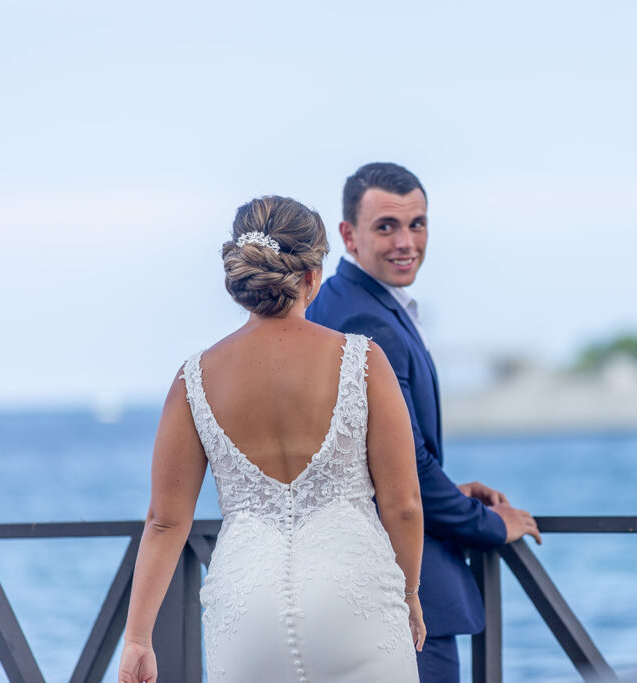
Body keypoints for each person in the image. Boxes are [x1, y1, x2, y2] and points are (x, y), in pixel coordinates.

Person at [118, 195, 426, 683]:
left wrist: (137, 639)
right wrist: (408, 593)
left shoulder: (194, 377)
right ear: (311, 276)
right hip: (356, 597)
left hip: (245, 605)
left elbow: (163, 522)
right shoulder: (362, 360)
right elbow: (405, 504)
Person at [307, 162, 542, 683]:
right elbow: (408, 463)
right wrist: (485, 524)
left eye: (418, 224)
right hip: (402, 596)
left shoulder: (336, 304)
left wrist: (453, 493)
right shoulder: (366, 320)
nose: (406, 242)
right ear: (348, 234)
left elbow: (359, 459)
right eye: (386, 226)